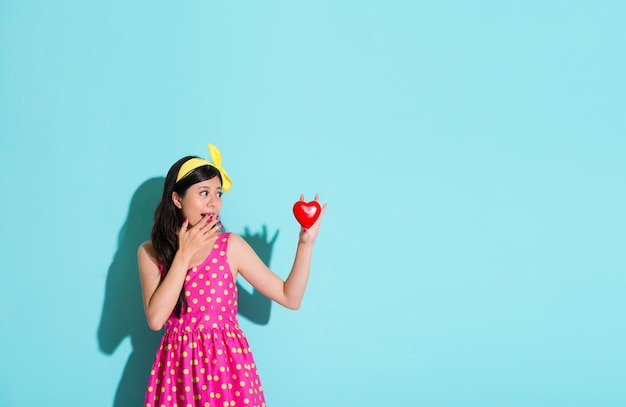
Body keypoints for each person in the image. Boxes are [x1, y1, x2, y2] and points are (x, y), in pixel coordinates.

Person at [137, 143, 326, 407]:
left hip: (227, 374)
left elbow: (290, 297)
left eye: (218, 193)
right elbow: (156, 319)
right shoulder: (150, 252)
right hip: (177, 376)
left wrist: (306, 242)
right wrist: (183, 255)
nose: (214, 203)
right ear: (177, 199)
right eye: (204, 193)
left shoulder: (230, 247)